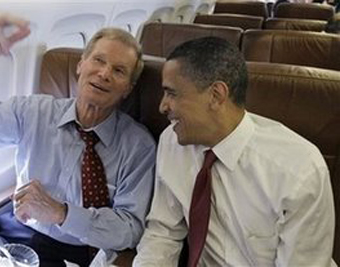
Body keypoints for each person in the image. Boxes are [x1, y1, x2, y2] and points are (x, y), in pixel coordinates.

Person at [0, 13, 156, 267]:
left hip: (88, 250)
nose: (104, 73)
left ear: (128, 88)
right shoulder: (32, 112)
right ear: (80, 65)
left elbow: (130, 229)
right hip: (22, 236)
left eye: (119, 70)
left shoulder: (139, 146)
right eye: (98, 60)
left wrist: (61, 213)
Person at [133, 37, 335, 266]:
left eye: (172, 93)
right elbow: (163, 233)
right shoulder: (173, 141)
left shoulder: (299, 169)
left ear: (216, 95)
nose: (162, 106)